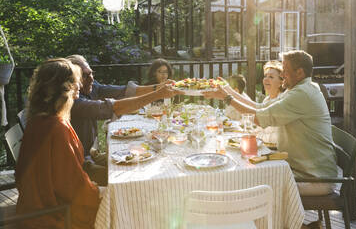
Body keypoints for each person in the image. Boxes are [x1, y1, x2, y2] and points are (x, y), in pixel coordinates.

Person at [204, 50, 337, 190]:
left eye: (285, 71)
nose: (282, 74)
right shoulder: (299, 89)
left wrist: (227, 98)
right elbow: (259, 107)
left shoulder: (302, 93)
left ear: (299, 73)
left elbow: (260, 119)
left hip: (315, 178)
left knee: (251, 185)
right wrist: (228, 91)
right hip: (298, 169)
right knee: (247, 175)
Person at [66, 55, 182, 185]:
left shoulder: (91, 86)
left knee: (145, 158)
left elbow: (124, 91)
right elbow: (112, 108)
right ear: (72, 81)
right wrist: (158, 94)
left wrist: (158, 87)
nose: (92, 78)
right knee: (132, 178)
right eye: (85, 76)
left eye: (92, 73)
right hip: (81, 164)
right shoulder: (74, 102)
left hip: (92, 154)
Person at [15, 58, 100, 229]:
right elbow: (71, 185)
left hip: (34, 205)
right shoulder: (57, 127)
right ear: (63, 89)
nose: (79, 86)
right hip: (53, 215)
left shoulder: (40, 120)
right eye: (75, 81)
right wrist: (97, 191)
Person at [222, 62, 284, 144]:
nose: (266, 79)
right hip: (263, 143)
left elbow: (275, 136)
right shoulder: (267, 99)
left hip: (275, 149)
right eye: (265, 76)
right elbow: (259, 129)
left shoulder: (282, 101)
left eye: (271, 77)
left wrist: (253, 136)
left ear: (281, 83)